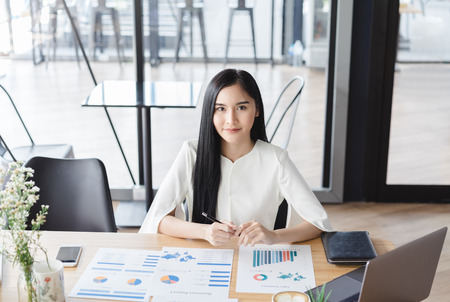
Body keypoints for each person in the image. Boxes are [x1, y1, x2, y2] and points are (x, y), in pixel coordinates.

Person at [139, 69, 333, 246]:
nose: (231, 120)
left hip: (257, 264)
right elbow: (159, 218)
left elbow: (318, 222)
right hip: (202, 261)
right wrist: (205, 231)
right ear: (210, 113)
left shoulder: (276, 159)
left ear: (256, 109)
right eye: (220, 109)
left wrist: (274, 236)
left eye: (241, 108)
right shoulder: (191, 152)